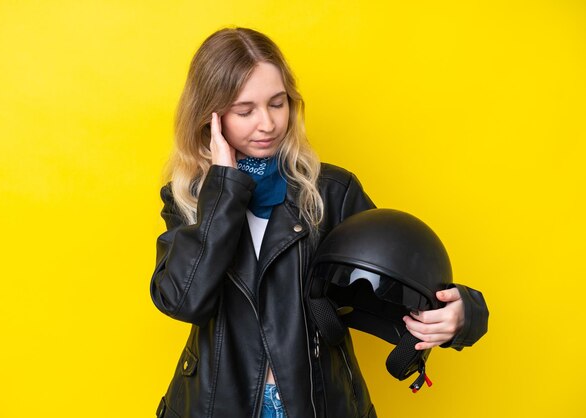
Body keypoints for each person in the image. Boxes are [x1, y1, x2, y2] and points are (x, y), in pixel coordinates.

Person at [150, 27, 488, 418]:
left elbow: (401, 278)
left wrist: (463, 314)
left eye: (277, 104)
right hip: (215, 404)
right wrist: (223, 190)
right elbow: (182, 300)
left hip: (318, 402)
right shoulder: (187, 195)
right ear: (210, 117)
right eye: (245, 111)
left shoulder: (331, 190)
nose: (267, 123)